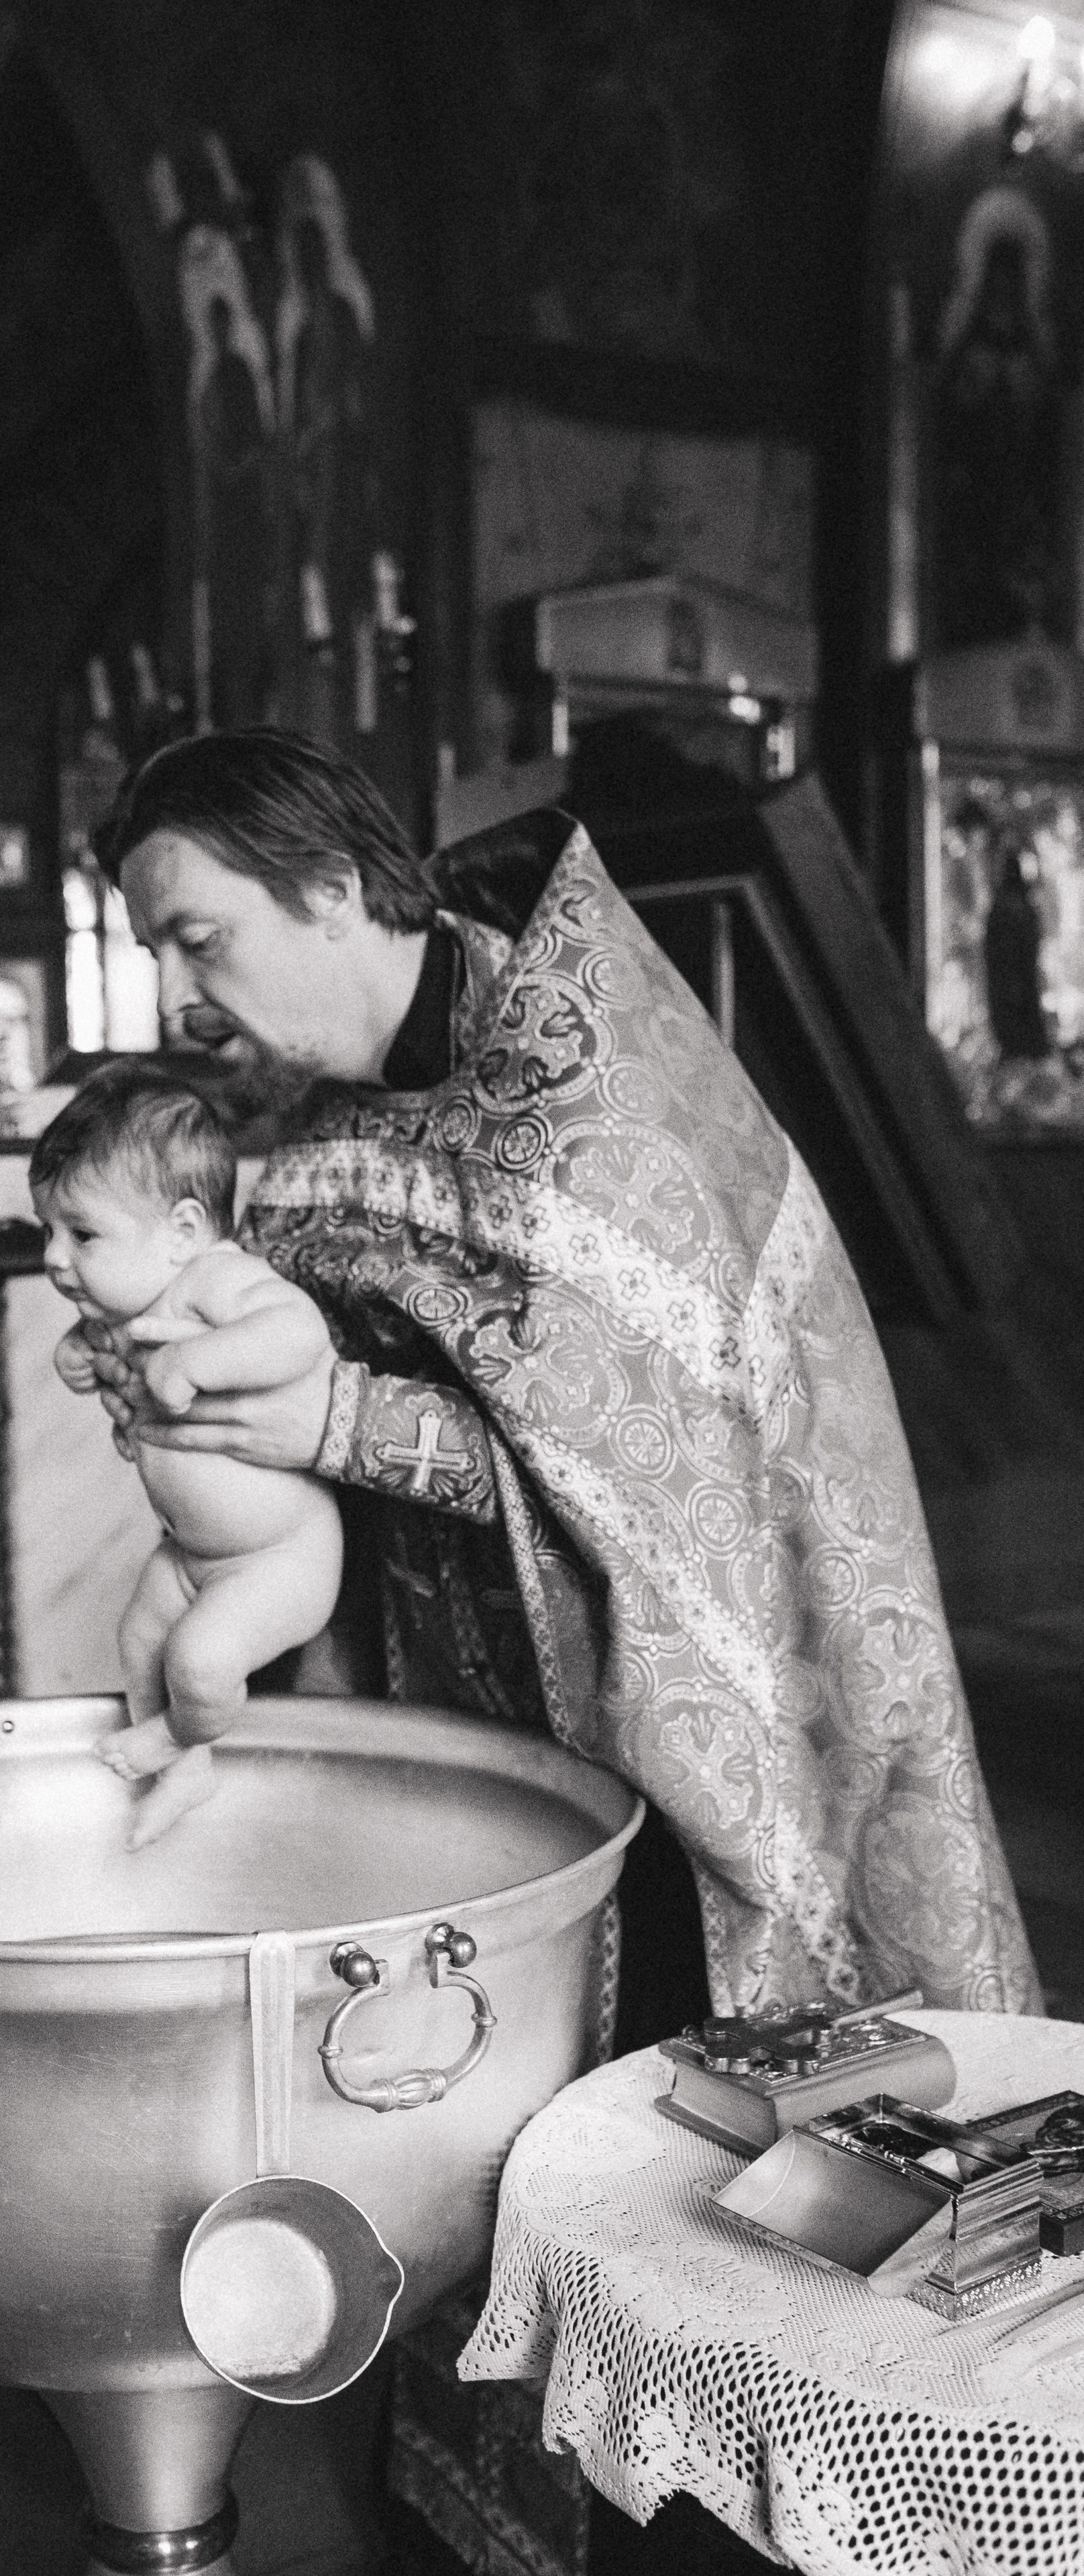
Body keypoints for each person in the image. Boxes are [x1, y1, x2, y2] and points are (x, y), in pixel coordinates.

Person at [79, 725, 1038, 2032]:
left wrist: (337, 1419)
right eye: (157, 955)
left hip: (645, 1691)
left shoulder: (583, 1090)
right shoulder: (306, 1115)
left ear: (326, 889)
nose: (181, 994)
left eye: (200, 938)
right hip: (441, 1683)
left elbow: (644, 1468)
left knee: (670, 2069)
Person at [29, 1061, 342, 1847]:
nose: (54, 1259)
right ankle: (185, 1774)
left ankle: (177, 1738)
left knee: (200, 1662)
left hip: (279, 1556)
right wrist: (77, 1351)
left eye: (81, 1234)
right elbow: (103, 1346)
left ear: (181, 1232)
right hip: (189, 1554)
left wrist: (192, 1364)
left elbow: (298, 1336)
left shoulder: (217, 1279)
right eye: (49, 1233)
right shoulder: (130, 1301)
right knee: (140, 1641)